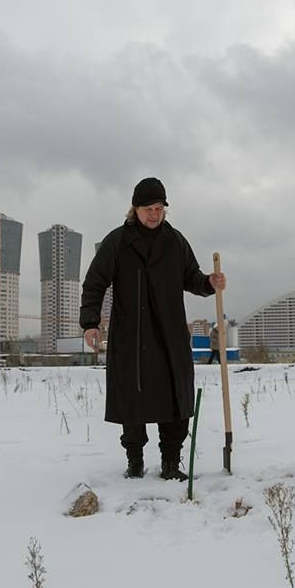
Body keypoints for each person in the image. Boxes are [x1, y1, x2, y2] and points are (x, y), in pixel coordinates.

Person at [80, 177, 227, 481]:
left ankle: (171, 464)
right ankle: (135, 462)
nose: (154, 213)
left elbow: (192, 278)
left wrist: (209, 284)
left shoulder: (175, 242)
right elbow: (95, 283)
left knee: (174, 402)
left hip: (169, 336)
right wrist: (90, 323)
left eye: (159, 208)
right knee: (133, 403)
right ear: (135, 209)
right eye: (148, 208)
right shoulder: (118, 241)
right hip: (131, 337)